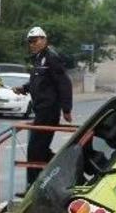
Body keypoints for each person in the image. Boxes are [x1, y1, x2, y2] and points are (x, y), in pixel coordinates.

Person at [13, 26, 73, 186]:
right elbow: (38, 82)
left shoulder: (51, 58)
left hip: (49, 110)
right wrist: (24, 88)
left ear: (44, 40)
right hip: (40, 110)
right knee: (39, 150)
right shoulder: (39, 58)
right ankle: (57, 171)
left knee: (35, 150)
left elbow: (64, 83)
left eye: (35, 41)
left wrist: (66, 109)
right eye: (30, 42)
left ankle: (33, 186)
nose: (32, 44)